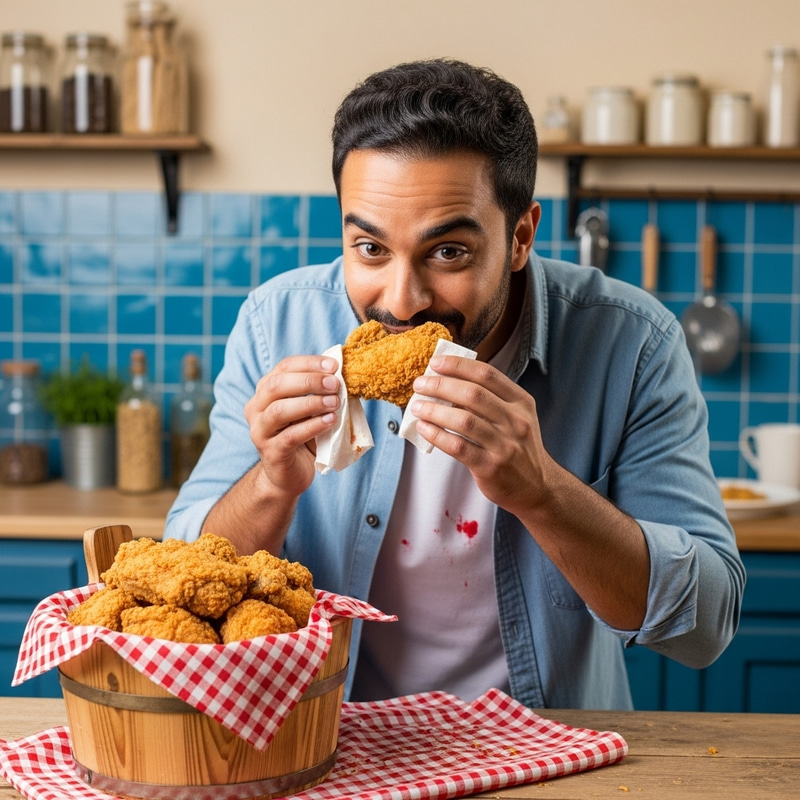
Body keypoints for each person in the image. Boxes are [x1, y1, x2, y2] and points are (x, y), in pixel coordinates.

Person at [166, 59, 745, 710]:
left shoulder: (633, 343)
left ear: (521, 235)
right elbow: (176, 585)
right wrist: (271, 484)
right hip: (331, 748)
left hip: (545, 753)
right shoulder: (277, 324)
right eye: (370, 248)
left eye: (448, 253)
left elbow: (702, 630)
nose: (403, 300)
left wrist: (542, 491)